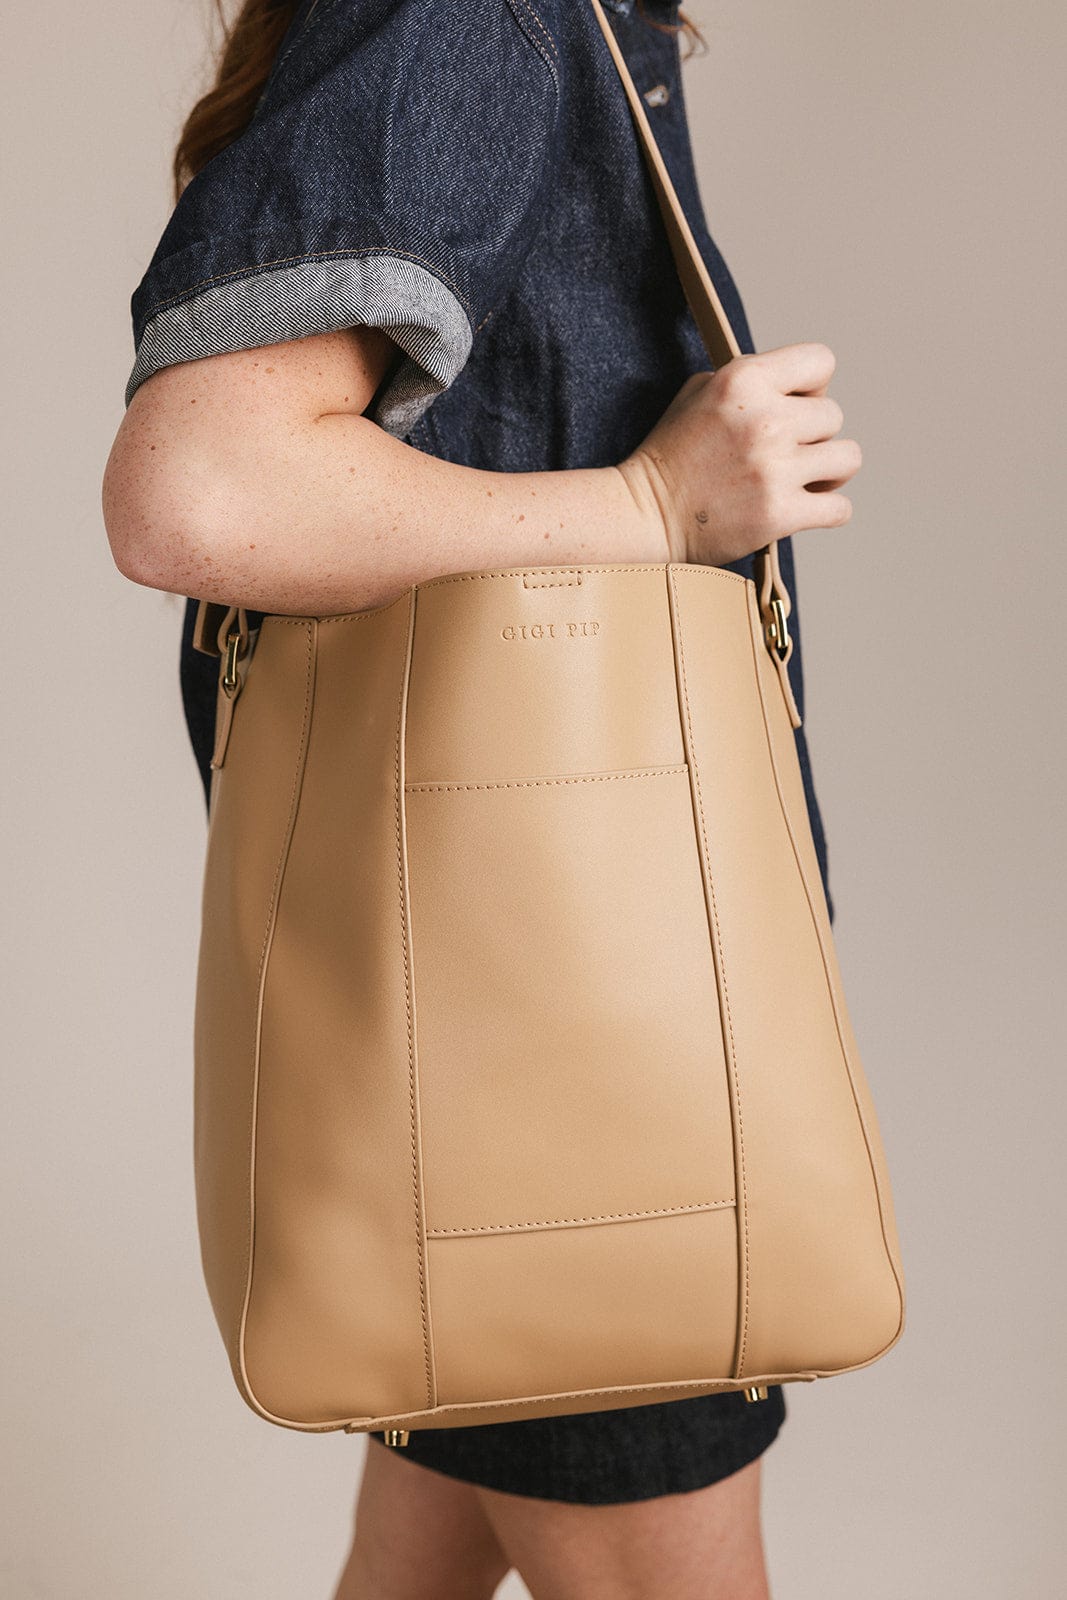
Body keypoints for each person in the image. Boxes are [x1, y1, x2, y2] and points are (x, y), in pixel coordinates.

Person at [102, 2, 861, 1595]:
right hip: (580, 1104)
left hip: (497, 1076)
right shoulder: (479, 17)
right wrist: (655, 503)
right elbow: (198, 483)